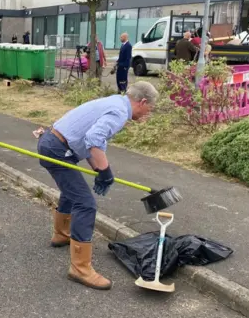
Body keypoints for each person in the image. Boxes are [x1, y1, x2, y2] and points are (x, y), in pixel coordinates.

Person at [37, 81, 158, 290]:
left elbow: (94, 143)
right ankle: (80, 268)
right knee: (86, 204)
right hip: (57, 148)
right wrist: (105, 171)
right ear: (143, 101)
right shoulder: (119, 112)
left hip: (54, 143)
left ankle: (61, 234)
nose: (149, 113)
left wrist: (100, 170)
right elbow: (93, 138)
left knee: (72, 192)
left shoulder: (115, 103)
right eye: (150, 108)